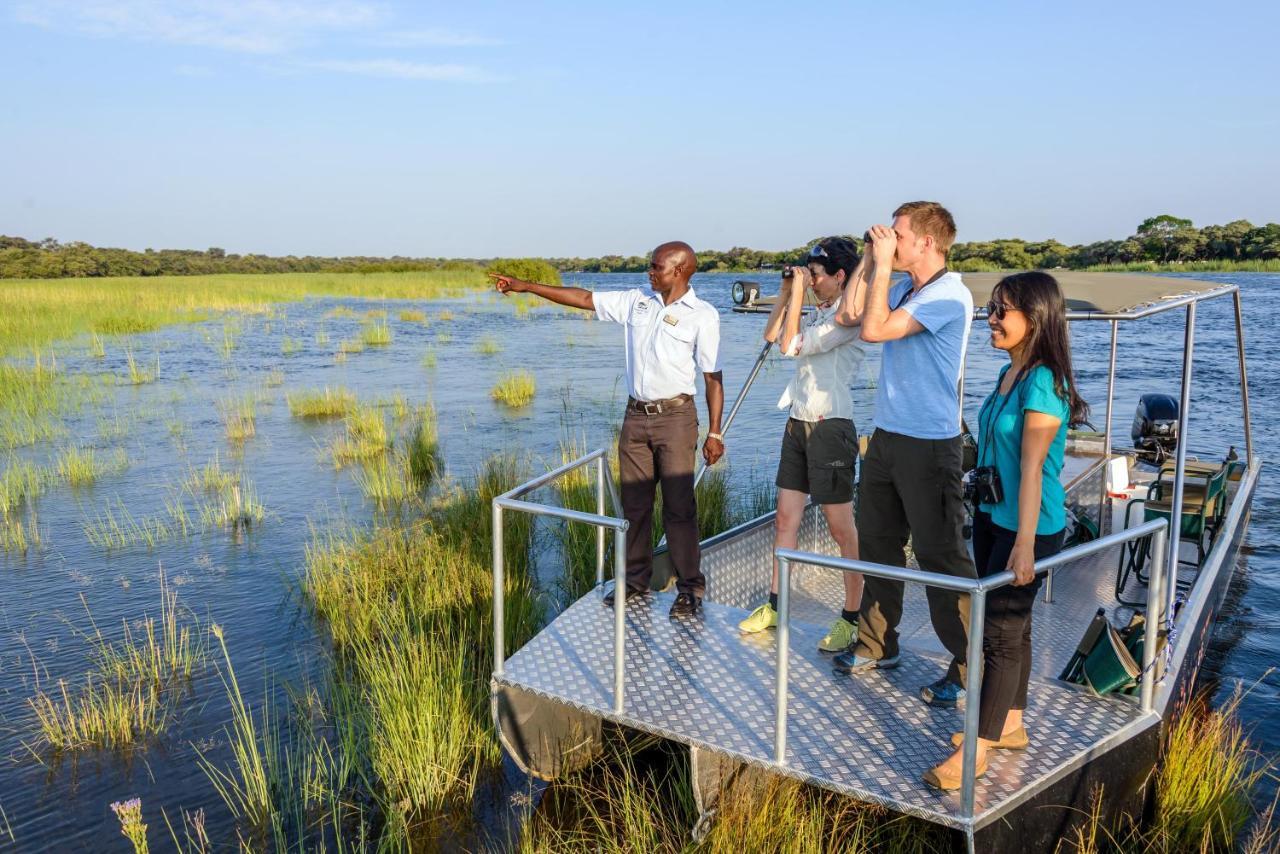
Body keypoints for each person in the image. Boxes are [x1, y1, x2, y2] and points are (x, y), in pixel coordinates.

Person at [490, 242, 724, 618]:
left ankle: (690, 589)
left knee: (679, 508)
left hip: (676, 419)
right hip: (635, 418)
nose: (649, 273)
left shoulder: (703, 315)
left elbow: (713, 378)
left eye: (656, 267)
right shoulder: (637, 302)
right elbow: (583, 297)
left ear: (680, 271)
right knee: (634, 505)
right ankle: (634, 584)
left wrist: (715, 433)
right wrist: (527, 286)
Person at [923, 272, 1087, 789]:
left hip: (1030, 527)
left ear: (1035, 318)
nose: (990, 319)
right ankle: (1010, 723)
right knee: (1014, 630)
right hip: (996, 516)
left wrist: (1024, 546)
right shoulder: (1007, 375)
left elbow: (1034, 468)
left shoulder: (1042, 380)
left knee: (999, 635)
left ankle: (977, 749)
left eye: (1002, 311)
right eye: (990, 309)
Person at [832, 202, 978, 711]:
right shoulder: (902, 287)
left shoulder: (948, 296)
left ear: (927, 244)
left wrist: (882, 264)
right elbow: (850, 314)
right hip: (887, 438)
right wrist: (872, 263)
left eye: (898, 235)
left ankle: (968, 668)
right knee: (879, 546)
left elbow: (874, 331)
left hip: (931, 445)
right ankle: (877, 644)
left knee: (941, 558)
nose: (889, 240)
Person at [738, 237, 868, 653]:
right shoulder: (818, 309)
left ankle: (852, 615)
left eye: (816, 275)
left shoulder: (850, 318)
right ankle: (777, 606)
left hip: (831, 426)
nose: (811, 281)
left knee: (840, 528)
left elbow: (791, 346)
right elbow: (772, 331)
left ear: (840, 277)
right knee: (784, 521)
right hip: (797, 421)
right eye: (808, 274)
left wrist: (797, 296)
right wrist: (786, 293)